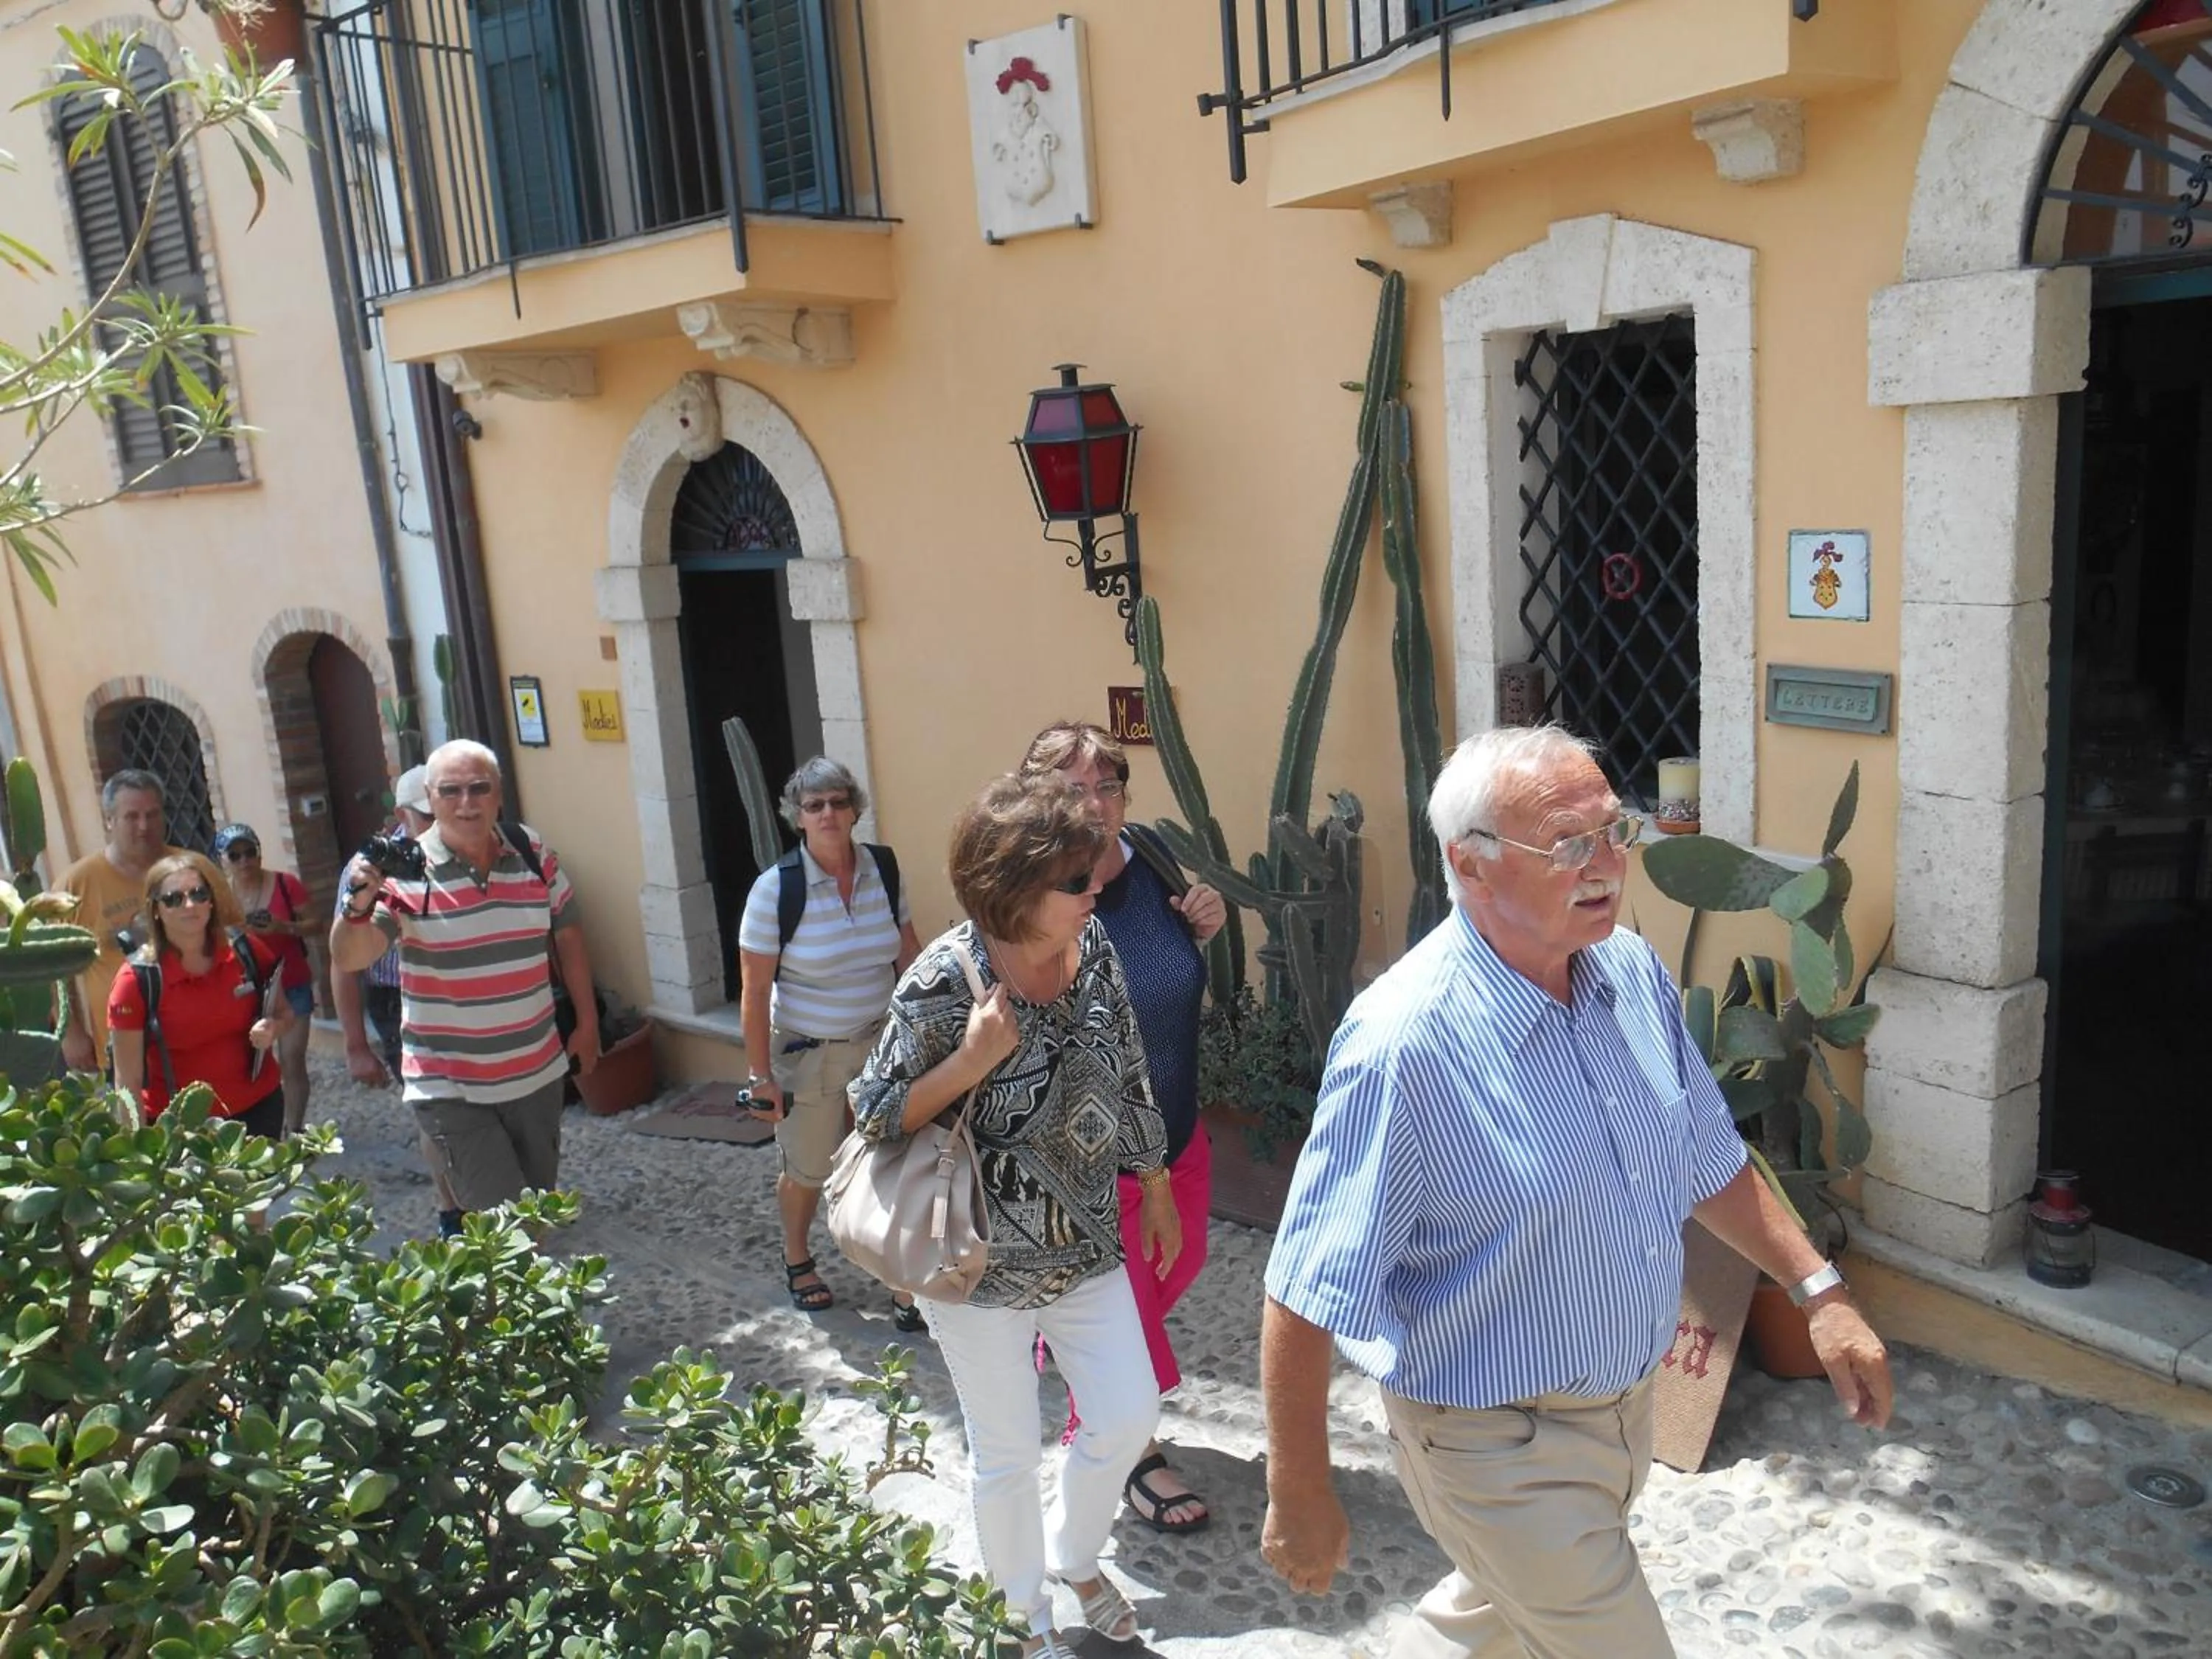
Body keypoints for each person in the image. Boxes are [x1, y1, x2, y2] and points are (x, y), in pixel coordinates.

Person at [1258, 726, 1893, 1659]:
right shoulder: (1405, 1045)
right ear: (1470, 866)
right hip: (1495, 1452)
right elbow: (1306, 1287)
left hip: (1622, 1416)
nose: (1604, 865)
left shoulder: (1628, 973)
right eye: (1565, 845)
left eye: (1612, 832)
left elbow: (1705, 1157)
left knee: (1493, 1627)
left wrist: (1819, 1291)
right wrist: (1300, 1489)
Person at [849, 773, 1180, 1659]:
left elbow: (1129, 1064)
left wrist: (1153, 1180)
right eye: (1074, 879)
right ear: (1014, 886)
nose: (1095, 887)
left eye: (1091, 871)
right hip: (974, 1264)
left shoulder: (1092, 944)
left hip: (1087, 1243)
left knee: (1128, 1413)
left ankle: (1075, 1556)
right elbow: (873, 1111)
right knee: (1006, 1455)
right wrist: (966, 1063)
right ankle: (1021, 1617)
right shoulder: (942, 980)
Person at [1020, 721, 1228, 1534]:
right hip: (1092, 1159)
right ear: (1040, 800)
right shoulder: (1036, 893)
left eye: (1108, 786)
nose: (1096, 804)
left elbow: (1168, 968)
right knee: (1123, 1318)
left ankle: (1078, 1347)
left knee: (1180, 1264)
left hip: (1177, 1132)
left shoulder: (1151, 856)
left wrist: (1200, 921)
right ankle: (1132, 1452)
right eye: (1075, 789)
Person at [328, 740, 601, 1219]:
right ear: (430, 799)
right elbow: (353, 955)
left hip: (536, 1075)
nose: (466, 803)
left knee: (534, 1218)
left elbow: (568, 932)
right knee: (506, 1229)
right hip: (451, 1088)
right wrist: (356, 906)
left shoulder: (530, 851)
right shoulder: (407, 871)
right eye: (450, 791)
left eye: (479, 788)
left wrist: (588, 1022)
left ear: (499, 794)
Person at [734, 757, 921, 1324]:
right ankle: (797, 1258)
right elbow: (753, 991)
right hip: (808, 1051)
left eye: (838, 802)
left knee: (890, 1161)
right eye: (814, 806)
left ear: (855, 810)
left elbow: (908, 955)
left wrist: (929, 1033)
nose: (827, 814)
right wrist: (760, 1078)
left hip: (880, 1045)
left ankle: (901, 1283)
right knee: (809, 1168)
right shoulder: (775, 890)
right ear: (797, 817)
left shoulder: (883, 870)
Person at [330, 765, 465, 1235]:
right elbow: (343, 959)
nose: (436, 824)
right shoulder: (369, 868)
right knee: (434, 1108)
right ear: (402, 813)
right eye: (426, 816)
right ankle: (452, 1208)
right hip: (398, 996)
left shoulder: (468, 850)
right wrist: (355, 1045)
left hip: (461, 985)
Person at [106, 852, 292, 1134]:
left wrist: (273, 1027)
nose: (190, 905)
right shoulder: (136, 981)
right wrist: (138, 1151)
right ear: (155, 909)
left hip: (259, 1109)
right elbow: (127, 1080)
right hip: (182, 1128)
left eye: (199, 894)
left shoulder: (246, 951)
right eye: (174, 899)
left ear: (211, 901)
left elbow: (286, 1013)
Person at [58, 769, 187, 1074]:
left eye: (152, 815)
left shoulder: (192, 870)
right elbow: (55, 967)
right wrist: (70, 1031)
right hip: (124, 1049)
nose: (144, 827)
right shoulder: (77, 885)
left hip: (198, 1035)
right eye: (132, 817)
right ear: (109, 821)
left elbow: (229, 941)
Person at [210, 823, 316, 1134]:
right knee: (256, 1065)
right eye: (235, 855)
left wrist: (283, 927)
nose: (244, 861)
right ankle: (263, 1127)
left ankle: (294, 1131)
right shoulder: (220, 898)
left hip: (292, 982)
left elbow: (315, 924)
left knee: (292, 1060)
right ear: (222, 860)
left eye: (249, 852)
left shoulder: (285, 884)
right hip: (247, 991)